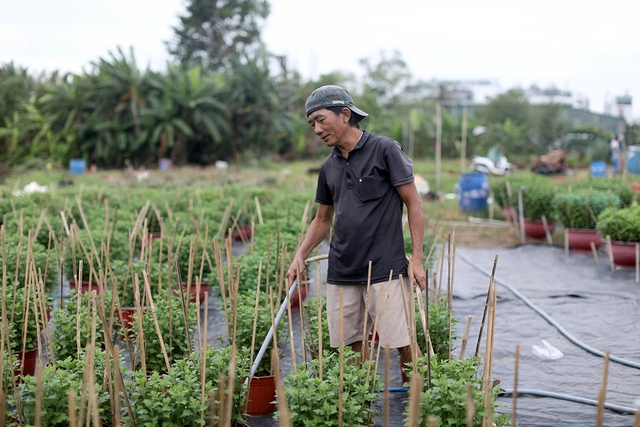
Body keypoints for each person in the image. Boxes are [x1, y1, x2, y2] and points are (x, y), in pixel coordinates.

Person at [286, 85, 427, 383]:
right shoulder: (328, 167)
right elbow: (322, 220)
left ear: (345, 114)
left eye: (321, 120)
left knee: (401, 341)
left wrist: (416, 258)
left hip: (385, 267)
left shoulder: (384, 149)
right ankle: (360, 410)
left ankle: (423, 402)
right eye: (312, 123)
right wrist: (299, 255)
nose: (317, 129)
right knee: (351, 346)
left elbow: (414, 204)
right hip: (342, 268)